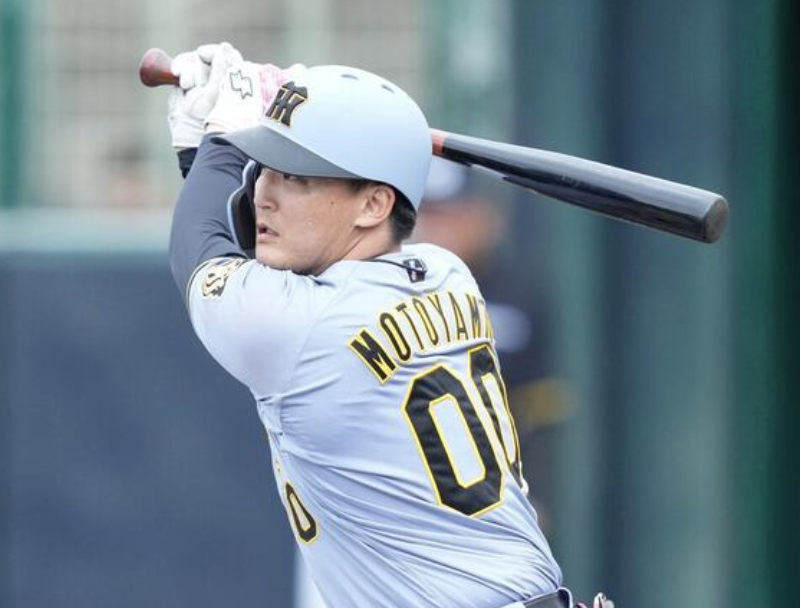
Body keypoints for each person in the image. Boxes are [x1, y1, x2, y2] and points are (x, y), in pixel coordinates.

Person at [164, 42, 610, 608]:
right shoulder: (448, 274)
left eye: (297, 177)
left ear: (374, 205)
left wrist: (218, 143)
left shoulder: (303, 326)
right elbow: (249, 252)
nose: (264, 194)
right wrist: (218, 152)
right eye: (264, 171)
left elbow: (203, 252)